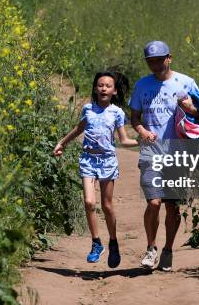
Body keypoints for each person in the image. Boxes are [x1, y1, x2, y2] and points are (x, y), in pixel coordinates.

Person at [129, 40, 199, 271]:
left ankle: (168, 249)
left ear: (169, 58)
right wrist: (143, 131)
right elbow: (134, 117)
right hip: (151, 152)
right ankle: (151, 248)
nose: (155, 65)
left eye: (159, 60)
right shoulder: (142, 85)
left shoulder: (186, 82)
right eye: (150, 61)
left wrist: (188, 107)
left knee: (173, 208)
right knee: (154, 202)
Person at [54, 72, 138, 268]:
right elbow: (78, 129)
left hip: (107, 161)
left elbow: (124, 140)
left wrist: (143, 141)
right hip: (88, 160)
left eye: (108, 86)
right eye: (100, 85)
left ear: (114, 91)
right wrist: (61, 143)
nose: (103, 88)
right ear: (95, 88)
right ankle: (96, 243)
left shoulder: (117, 113)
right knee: (89, 202)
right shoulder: (88, 109)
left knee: (107, 206)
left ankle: (113, 242)